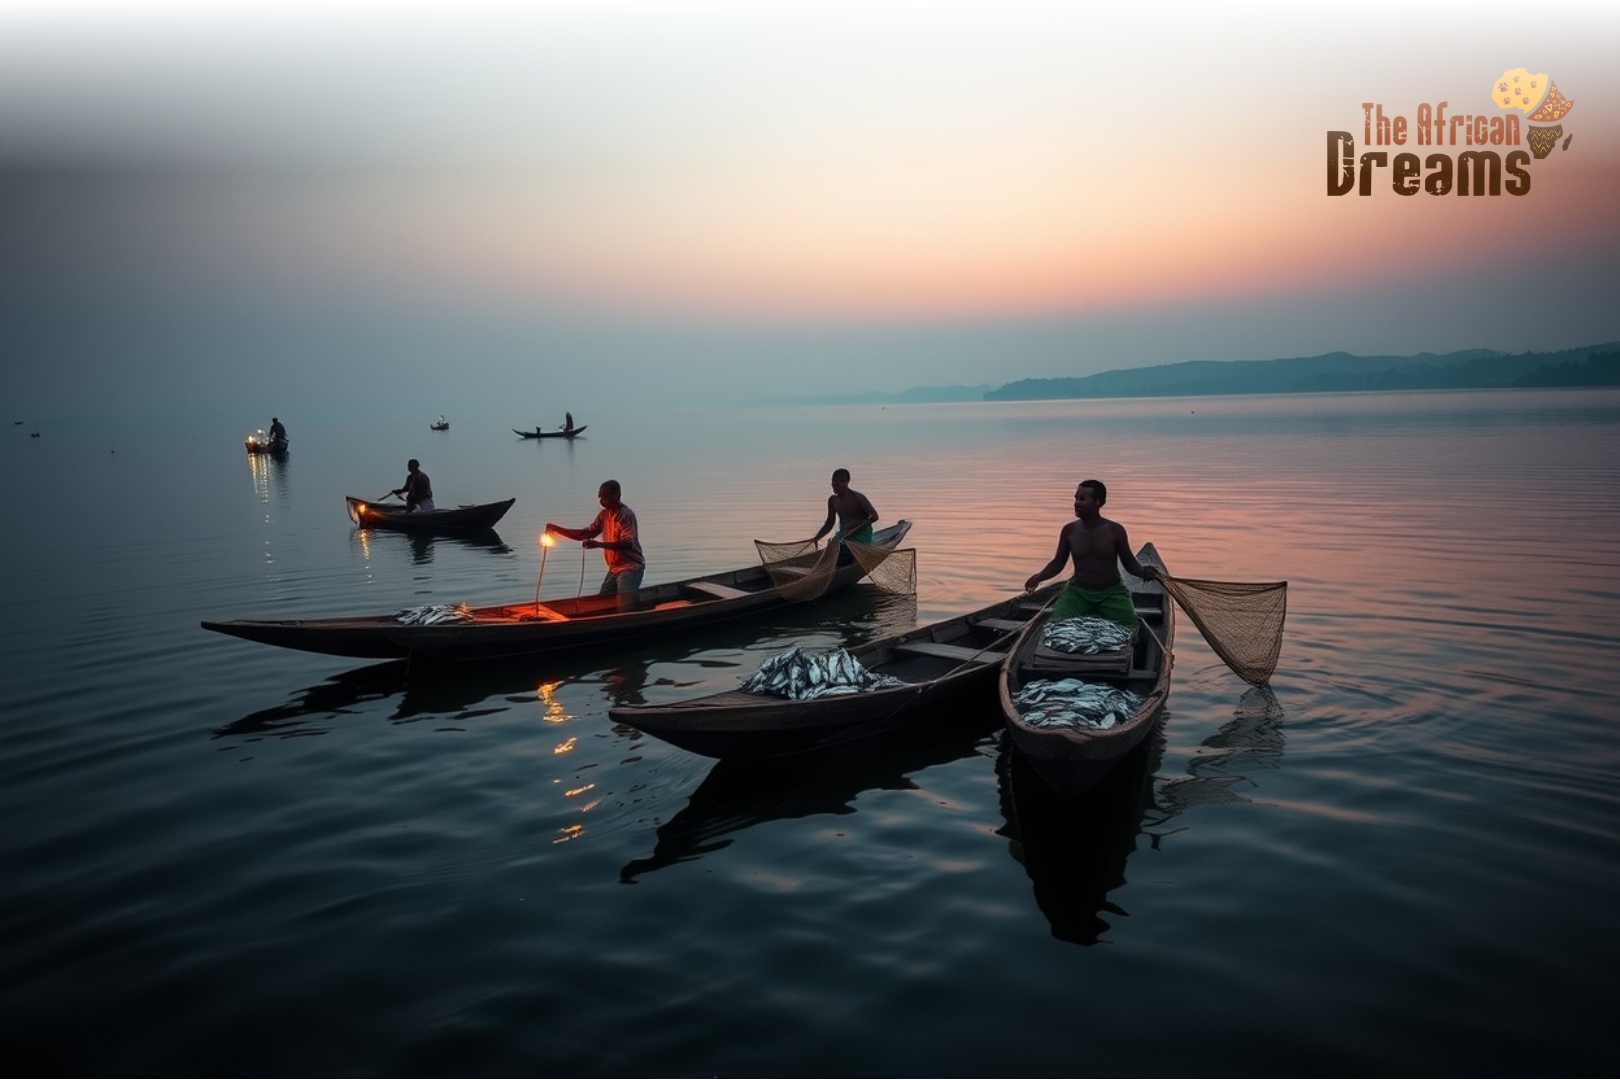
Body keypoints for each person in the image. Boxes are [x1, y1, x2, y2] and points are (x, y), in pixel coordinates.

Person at [1024, 479, 1159, 630]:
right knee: (1055, 626)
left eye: (1082, 499)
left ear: (1098, 502)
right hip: (1078, 593)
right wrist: (1039, 577)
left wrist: (1143, 572)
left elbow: (1129, 563)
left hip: (1111, 593)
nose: (1076, 503)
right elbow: (1058, 563)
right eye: (1075, 498)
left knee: (1131, 627)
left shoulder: (1115, 531)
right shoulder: (1069, 531)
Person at [546, 480, 645, 609]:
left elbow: (627, 543)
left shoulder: (626, 515)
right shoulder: (604, 515)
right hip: (615, 568)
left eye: (605, 496)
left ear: (616, 495)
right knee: (603, 602)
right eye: (600, 497)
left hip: (631, 567)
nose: (602, 500)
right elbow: (586, 534)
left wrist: (598, 544)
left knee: (625, 607)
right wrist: (557, 529)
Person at [811, 468, 880, 564]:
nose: (838, 485)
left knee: (843, 551)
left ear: (847, 482)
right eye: (835, 483)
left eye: (841, 482)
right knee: (832, 547)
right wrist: (817, 538)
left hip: (860, 535)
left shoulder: (857, 497)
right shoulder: (833, 500)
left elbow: (874, 516)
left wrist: (858, 527)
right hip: (843, 534)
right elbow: (829, 523)